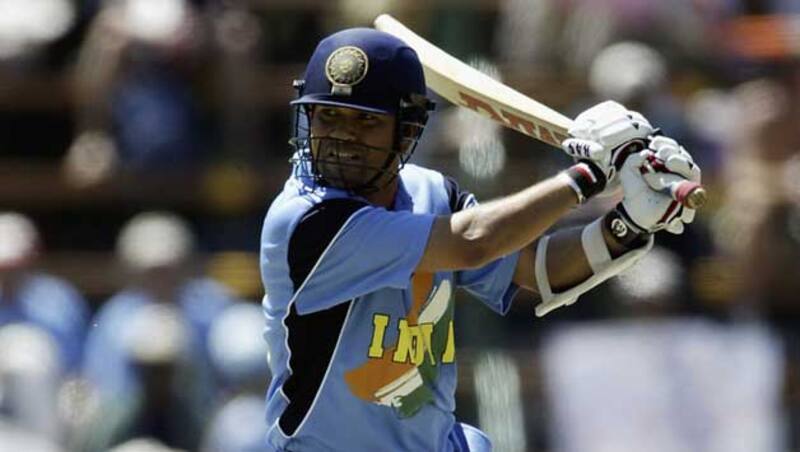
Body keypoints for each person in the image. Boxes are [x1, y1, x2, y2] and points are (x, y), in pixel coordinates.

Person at [258, 28, 701, 451]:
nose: (341, 138)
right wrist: (588, 175)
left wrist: (629, 224)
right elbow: (473, 242)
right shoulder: (306, 220)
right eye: (328, 115)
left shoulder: (433, 194)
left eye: (365, 122)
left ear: (408, 130)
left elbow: (539, 270)